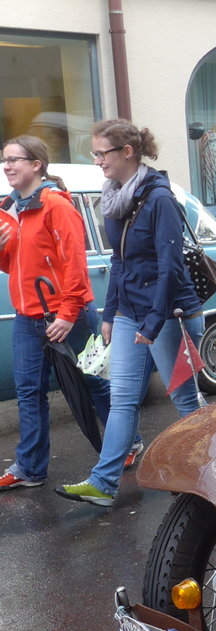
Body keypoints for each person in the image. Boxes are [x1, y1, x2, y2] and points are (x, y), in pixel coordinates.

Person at [56, 119, 205, 508]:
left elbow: (170, 266)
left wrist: (155, 321)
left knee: (185, 400)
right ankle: (103, 483)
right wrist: (111, 313)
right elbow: (120, 261)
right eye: (95, 154)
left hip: (169, 313)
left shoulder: (159, 198)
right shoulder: (114, 197)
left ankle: (209, 471)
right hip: (129, 313)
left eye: (102, 153)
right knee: (121, 398)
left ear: (127, 152)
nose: (97, 161)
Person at [0, 135, 140, 492]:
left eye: (15, 159)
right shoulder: (9, 209)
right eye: (5, 160)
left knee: (93, 381)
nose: (7, 166)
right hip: (28, 317)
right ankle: (30, 468)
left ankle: (127, 444)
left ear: (37, 165)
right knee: (29, 391)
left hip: (68, 315)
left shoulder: (56, 206)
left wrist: (67, 312)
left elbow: (74, 263)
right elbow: (13, 267)